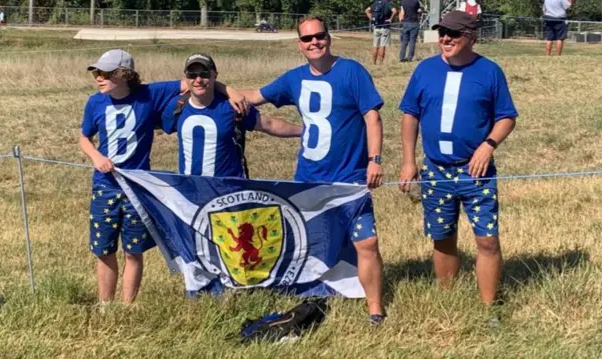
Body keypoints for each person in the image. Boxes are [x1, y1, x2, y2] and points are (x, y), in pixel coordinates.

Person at [240, 16, 387, 325]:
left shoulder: (352, 72)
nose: (314, 42)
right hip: (309, 180)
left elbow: (372, 117)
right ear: (300, 45)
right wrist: (215, 87)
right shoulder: (294, 79)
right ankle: (310, 296)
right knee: (311, 243)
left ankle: (375, 307)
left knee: (367, 242)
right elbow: (254, 97)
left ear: (329, 38)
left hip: (349, 180)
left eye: (319, 36)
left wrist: (375, 159)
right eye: (307, 39)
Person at [79, 49, 246, 305]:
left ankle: (128, 306)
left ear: (124, 75)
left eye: (105, 73)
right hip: (105, 187)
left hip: (137, 188)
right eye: (97, 73)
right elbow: (84, 137)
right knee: (103, 249)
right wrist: (96, 157)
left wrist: (230, 90)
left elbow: (195, 80)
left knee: (133, 251)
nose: (98, 78)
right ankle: (105, 305)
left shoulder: (149, 95)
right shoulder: (95, 102)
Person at [398, 12, 518, 316]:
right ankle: (448, 301)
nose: (445, 39)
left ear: (471, 37)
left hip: (476, 173)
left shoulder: (489, 71)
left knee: (487, 240)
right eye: (442, 33)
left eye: (453, 34)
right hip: (435, 170)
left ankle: (490, 309)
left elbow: (506, 117)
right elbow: (410, 115)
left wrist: (487, 146)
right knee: (442, 238)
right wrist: (409, 162)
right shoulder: (425, 70)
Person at [161, 53, 302, 177]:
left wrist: (303, 131)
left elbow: (268, 124)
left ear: (214, 75)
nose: (198, 80)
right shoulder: (176, 107)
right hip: (190, 193)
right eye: (192, 74)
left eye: (204, 74)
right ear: (185, 77)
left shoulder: (233, 107)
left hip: (228, 195)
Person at [365, 0, 397, 65]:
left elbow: (366, 10)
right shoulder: (388, 3)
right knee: (382, 46)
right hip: (385, 28)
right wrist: (390, 19)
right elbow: (395, 11)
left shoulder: (376, 3)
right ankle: (380, 63)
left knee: (375, 46)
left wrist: (371, 19)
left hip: (376, 28)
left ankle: (374, 63)